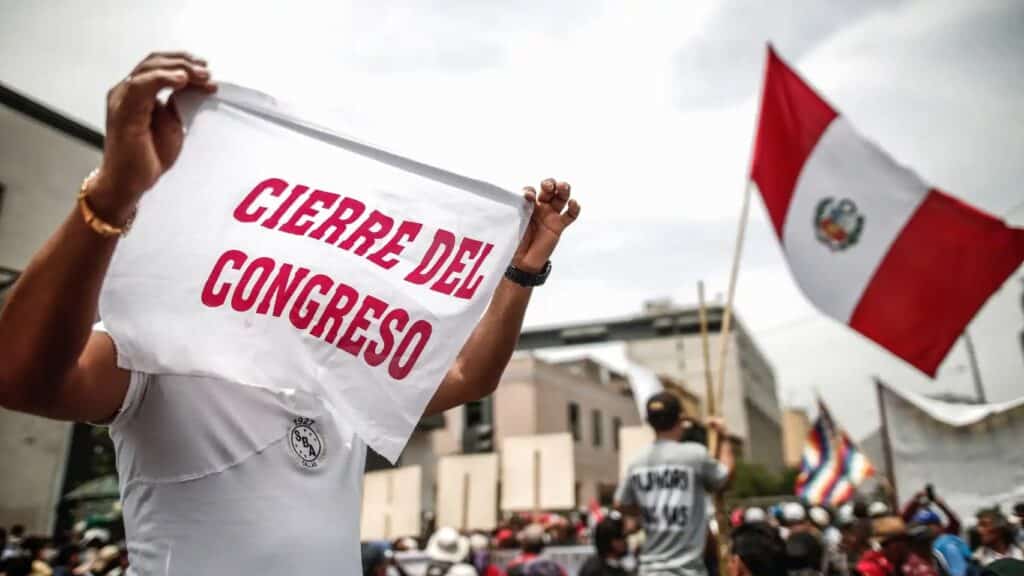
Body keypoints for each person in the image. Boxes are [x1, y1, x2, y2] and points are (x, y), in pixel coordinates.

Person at [0, 54, 580, 575]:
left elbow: (467, 379)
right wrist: (111, 194)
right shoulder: (157, 345)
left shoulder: (342, 373)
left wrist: (521, 273)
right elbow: (18, 376)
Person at [613, 392, 733, 576]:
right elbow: (725, 478)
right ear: (680, 419)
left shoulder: (637, 462)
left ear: (650, 422)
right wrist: (724, 437)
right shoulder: (694, 455)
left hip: (649, 571)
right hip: (686, 571)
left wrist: (650, 510)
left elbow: (620, 503)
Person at [910, 510, 972, 576]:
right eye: (919, 526)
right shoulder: (931, 545)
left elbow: (960, 573)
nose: (922, 530)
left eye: (927, 525)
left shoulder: (947, 545)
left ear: (938, 526)